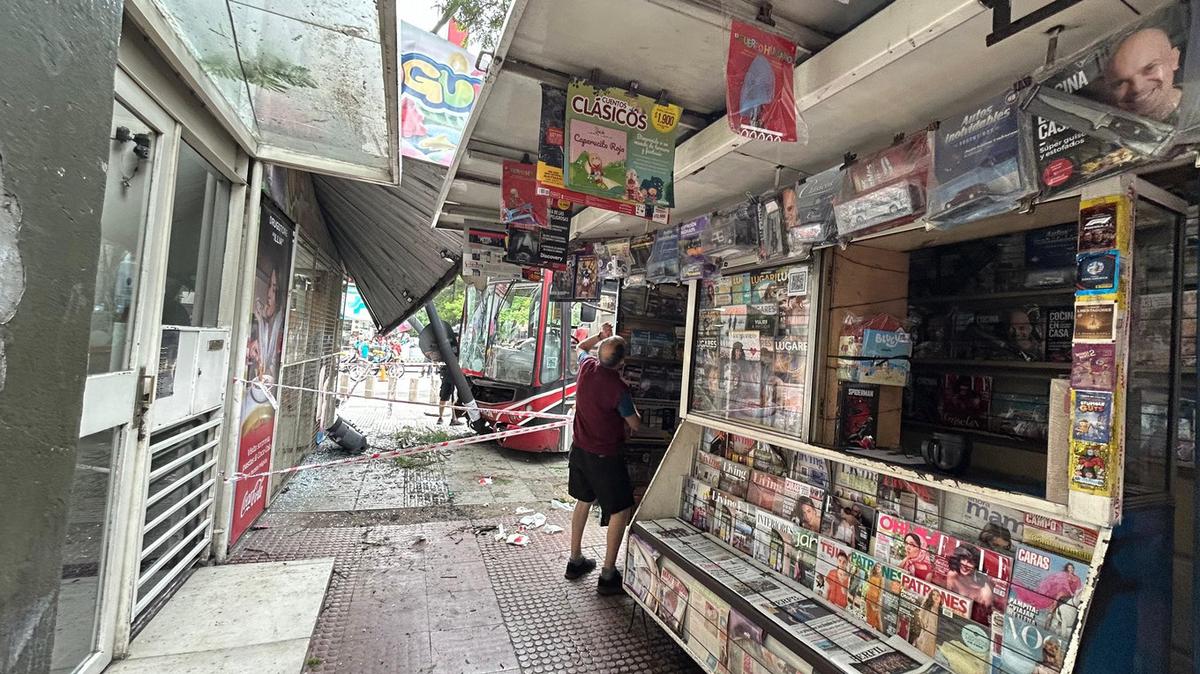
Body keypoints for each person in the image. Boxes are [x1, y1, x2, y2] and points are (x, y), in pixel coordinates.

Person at [565, 322, 642, 594]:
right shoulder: (618, 389)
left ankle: (575, 560)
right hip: (605, 456)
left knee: (583, 500)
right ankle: (608, 575)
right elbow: (634, 424)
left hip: (580, 450)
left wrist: (600, 336)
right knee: (621, 509)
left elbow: (580, 346)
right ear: (622, 362)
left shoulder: (586, 368)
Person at [1104, 27, 1183, 123]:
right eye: (1120, 82)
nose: (1138, 87)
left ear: (1173, 59)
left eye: (1150, 68)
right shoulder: (1109, 128)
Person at [436, 327, 462, 425]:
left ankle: (451, 418)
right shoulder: (452, 347)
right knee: (446, 396)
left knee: (452, 397)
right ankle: (442, 417)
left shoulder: (457, 347)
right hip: (449, 374)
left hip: (453, 374)